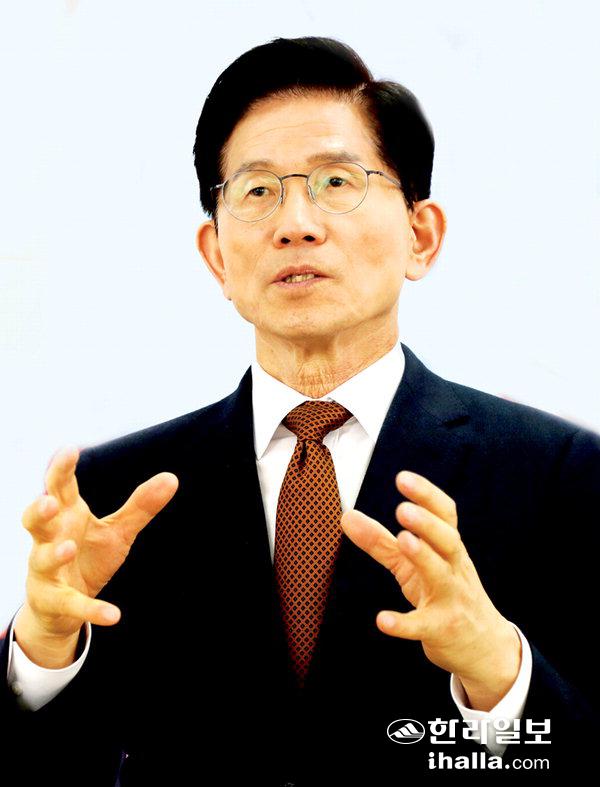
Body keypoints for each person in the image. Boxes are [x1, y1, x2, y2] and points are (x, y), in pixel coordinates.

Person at [1, 36, 598, 785]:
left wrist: (500, 673)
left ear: (420, 236)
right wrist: (42, 651)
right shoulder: (119, 493)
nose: (296, 223)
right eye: (256, 191)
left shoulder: (559, 473)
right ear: (217, 255)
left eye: (336, 181)